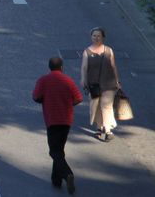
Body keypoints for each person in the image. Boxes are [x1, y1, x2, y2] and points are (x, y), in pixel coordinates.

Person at [33, 56, 83, 193]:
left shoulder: (43, 80)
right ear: (62, 67)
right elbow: (79, 98)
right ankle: (56, 180)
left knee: (54, 151)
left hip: (51, 120)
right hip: (66, 120)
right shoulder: (68, 80)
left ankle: (67, 174)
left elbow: (36, 97)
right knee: (59, 150)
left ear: (49, 67)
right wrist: (68, 105)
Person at [80, 27, 121, 142]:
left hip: (109, 83)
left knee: (106, 106)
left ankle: (107, 130)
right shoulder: (87, 52)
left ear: (103, 37)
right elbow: (84, 67)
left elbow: (113, 66)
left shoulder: (109, 50)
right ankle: (99, 127)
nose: (96, 38)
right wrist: (83, 79)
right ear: (91, 37)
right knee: (96, 106)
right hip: (93, 84)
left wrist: (117, 81)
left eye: (98, 35)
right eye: (94, 35)